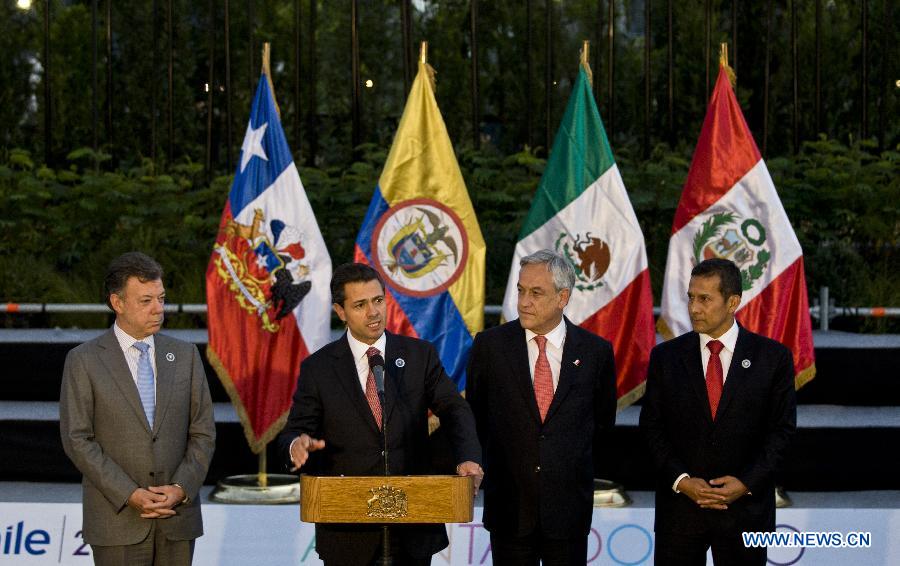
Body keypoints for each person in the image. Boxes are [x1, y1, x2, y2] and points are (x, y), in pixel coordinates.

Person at [277, 262, 483, 566]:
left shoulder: (418, 355)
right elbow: (294, 432)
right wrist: (296, 445)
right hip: (348, 532)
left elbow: (454, 407)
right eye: (360, 304)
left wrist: (468, 455)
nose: (373, 312)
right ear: (340, 311)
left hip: (413, 526)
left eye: (377, 300)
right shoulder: (318, 368)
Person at [59, 252, 216, 566]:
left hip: (177, 521)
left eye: (161, 298)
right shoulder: (84, 361)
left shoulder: (185, 356)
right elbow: (78, 440)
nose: (158, 309)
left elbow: (203, 432)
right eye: (146, 301)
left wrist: (180, 488)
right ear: (117, 303)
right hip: (116, 523)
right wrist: (129, 493)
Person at [639, 258, 797, 565]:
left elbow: (782, 431)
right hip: (680, 515)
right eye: (691, 297)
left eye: (705, 299)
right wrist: (682, 481)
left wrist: (746, 482)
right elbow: (651, 428)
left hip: (745, 515)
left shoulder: (772, 358)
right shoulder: (666, 357)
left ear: (732, 302)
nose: (694, 307)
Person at [466, 249, 617, 565]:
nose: (523, 302)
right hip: (509, 510)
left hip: (568, 513)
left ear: (563, 298)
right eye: (520, 290)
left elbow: (602, 426)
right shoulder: (490, 346)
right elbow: (476, 417)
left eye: (536, 293)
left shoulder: (595, 352)